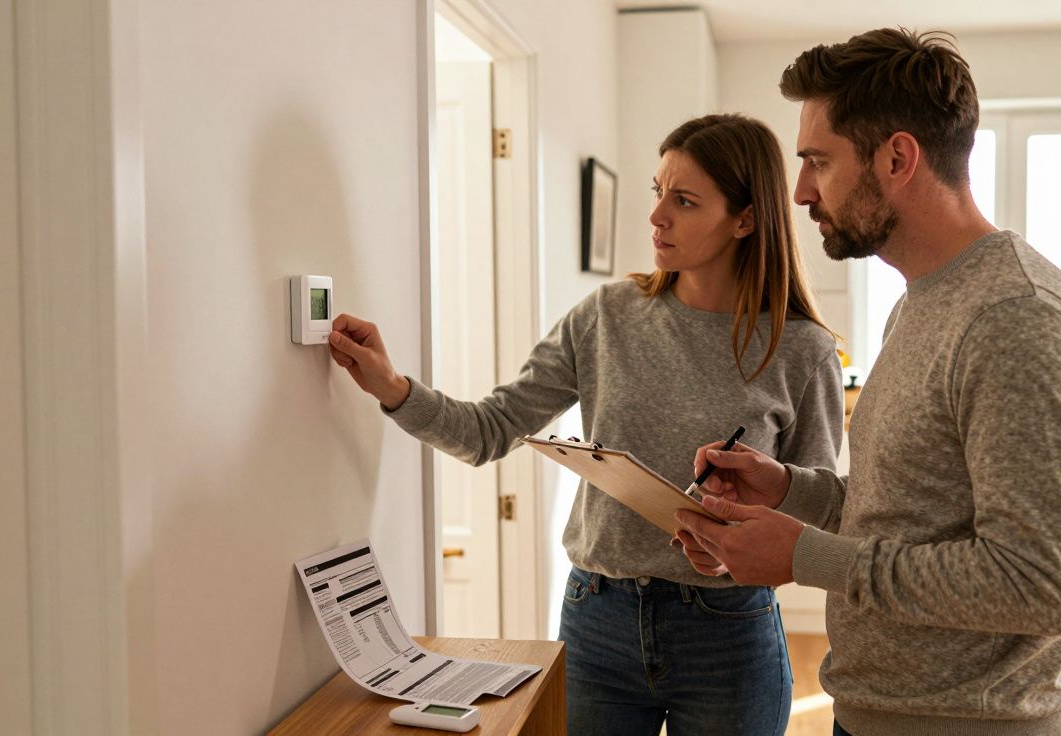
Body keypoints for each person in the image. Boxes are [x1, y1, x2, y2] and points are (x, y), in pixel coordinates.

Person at [326, 113, 845, 735]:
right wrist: (392, 387)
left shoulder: (803, 350)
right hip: (598, 621)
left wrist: (735, 546)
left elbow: (816, 511)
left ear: (746, 219)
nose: (656, 216)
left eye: (684, 201)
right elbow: (489, 429)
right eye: (658, 192)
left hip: (728, 634)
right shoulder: (606, 316)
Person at [673, 29, 1061, 736]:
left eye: (818, 161)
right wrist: (786, 489)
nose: (801, 192)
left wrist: (802, 555)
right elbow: (906, 511)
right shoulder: (923, 300)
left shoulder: (1014, 319)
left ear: (897, 158)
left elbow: (1038, 584)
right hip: (881, 714)